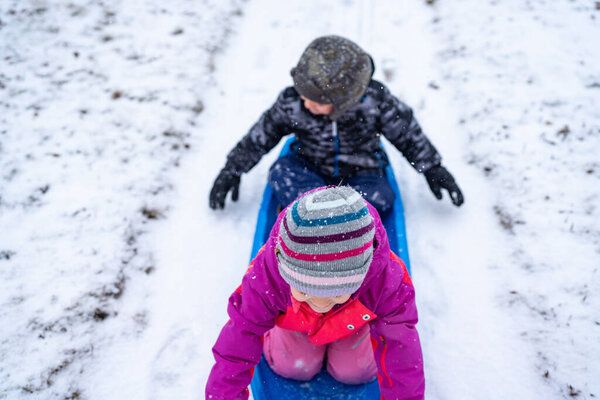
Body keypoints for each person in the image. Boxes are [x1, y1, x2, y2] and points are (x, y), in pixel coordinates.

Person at [206, 186, 425, 400]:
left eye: (337, 294)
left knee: (354, 372)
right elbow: (240, 336)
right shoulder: (267, 274)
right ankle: (283, 335)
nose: (321, 304)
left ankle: (342, 337)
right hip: (296, 323)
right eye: (303, 290)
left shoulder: (387, 280)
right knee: (293, 366)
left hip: (351, 327)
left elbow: (400, 350)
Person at [209, 35, 463, 215]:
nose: (306, 104)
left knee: (381, 198)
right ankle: (321, 218)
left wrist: (432, 168)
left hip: (361, 173)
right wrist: (233, 168)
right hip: (309, 166)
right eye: (302, 95)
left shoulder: (374, 101)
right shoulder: (292, 103)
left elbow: (406, 133)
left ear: (343, 100)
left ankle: (331, 223)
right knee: (281, 173)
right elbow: (261, 135)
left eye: (316, 101)